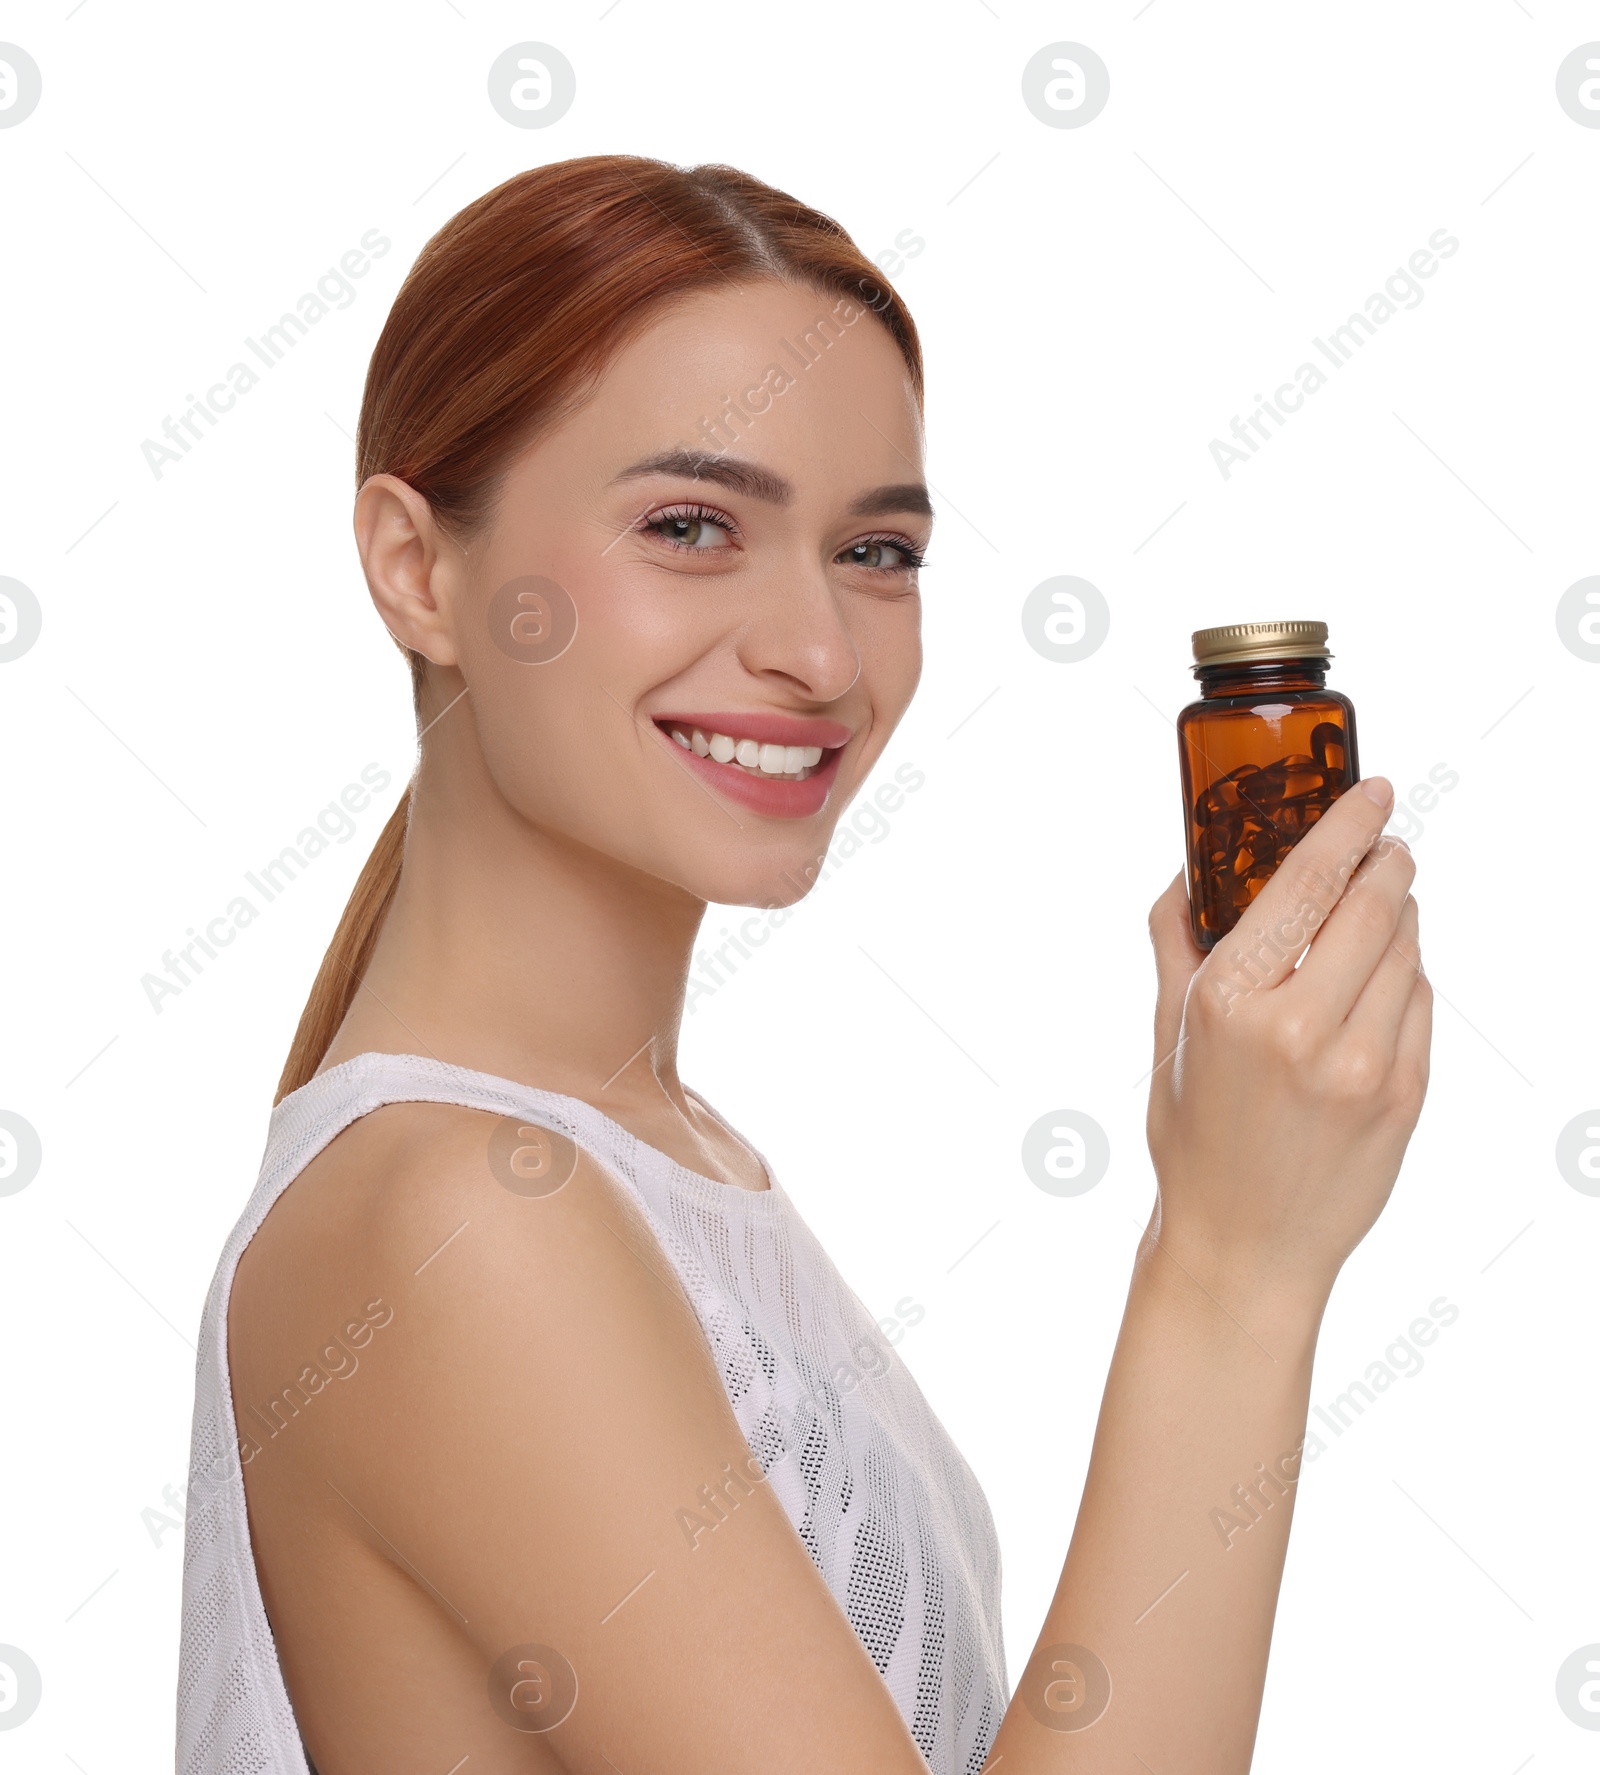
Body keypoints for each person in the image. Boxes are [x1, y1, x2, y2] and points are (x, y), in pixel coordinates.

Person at [177, 154, 1431, 1774]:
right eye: (692, 525)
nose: (822, 655)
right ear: (422, 570)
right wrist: (1235, 1270)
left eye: (878, 553)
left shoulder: (652, 1170)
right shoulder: (458, 1221)